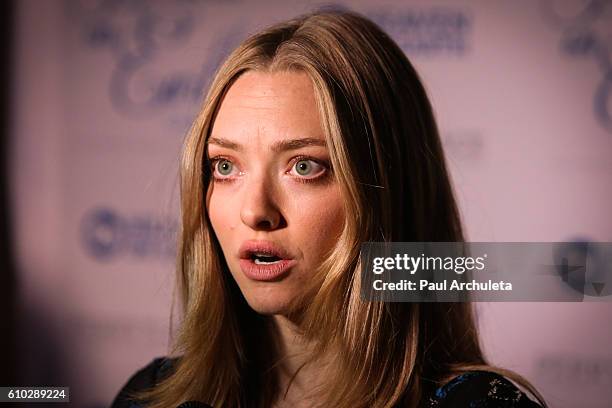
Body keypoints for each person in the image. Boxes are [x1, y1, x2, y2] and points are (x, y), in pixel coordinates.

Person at [111, 9, 547, 408]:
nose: (255, 211)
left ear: (386, 192)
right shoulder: (148, 396)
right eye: (225, 166)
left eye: (304, 166)